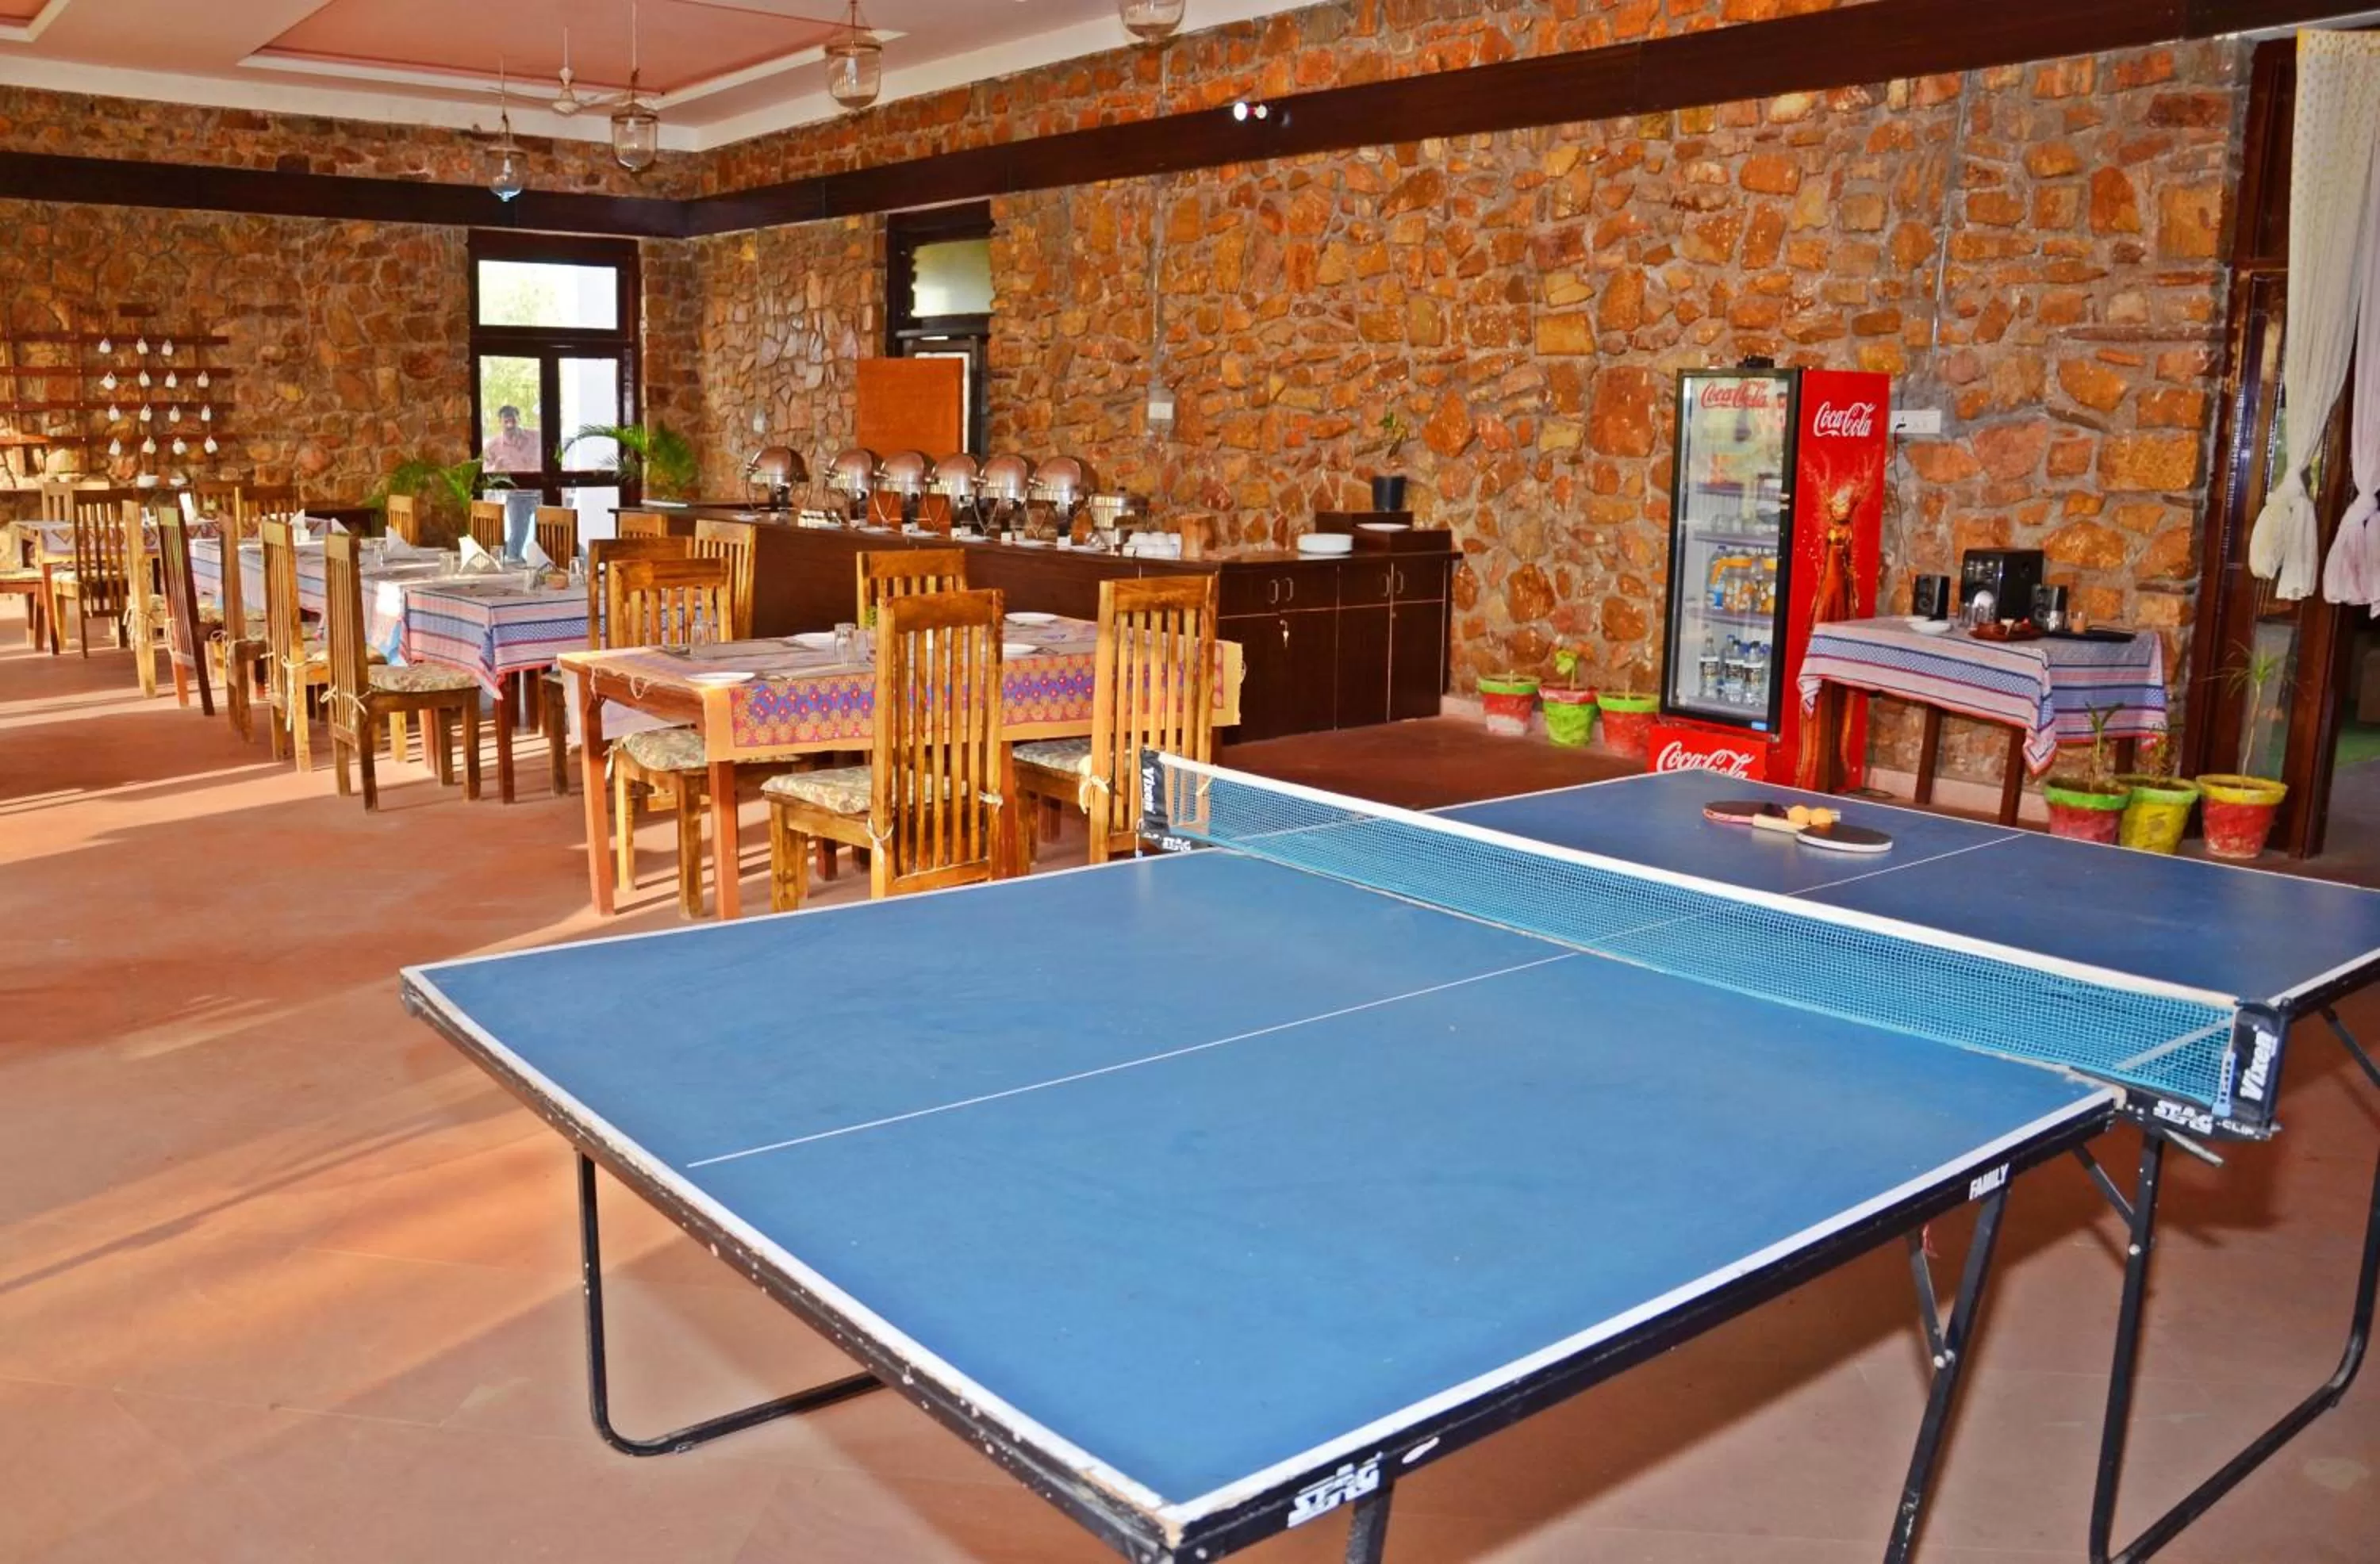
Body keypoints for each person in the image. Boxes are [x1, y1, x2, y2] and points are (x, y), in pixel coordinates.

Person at [483, 405, 539, 473]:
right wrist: (496, 467)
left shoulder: (535, 437)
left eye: (513, 421)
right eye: (506, 421)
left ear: (519, 419)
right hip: (508, 482)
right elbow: (484, 470)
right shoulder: (492, 446)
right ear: (500, 422)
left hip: (536, 480)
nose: (510, 425)